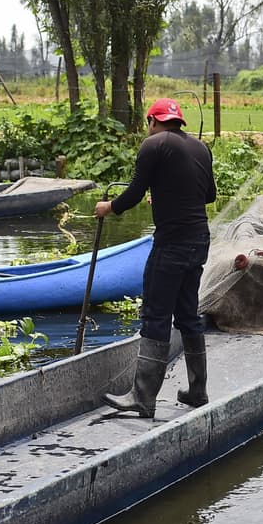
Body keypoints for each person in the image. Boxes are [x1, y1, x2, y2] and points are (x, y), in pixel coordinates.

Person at [95, 98, 216, 417]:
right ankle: (197, 390)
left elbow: (134, 192)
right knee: (188, 313)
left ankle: (143, 397)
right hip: (199, 240)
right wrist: (165, 191)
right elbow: (209, 196)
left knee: (156, 315)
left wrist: (110, 208)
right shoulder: (201, 148)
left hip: (172, 242)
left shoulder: (153, 145)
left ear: (153, 120)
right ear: (179, 122)